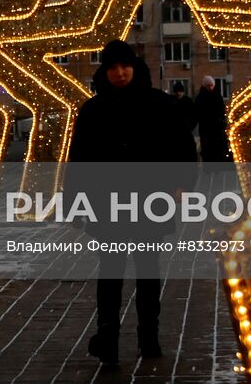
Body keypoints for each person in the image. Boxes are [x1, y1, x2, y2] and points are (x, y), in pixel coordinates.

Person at [69, 40, 195, 366]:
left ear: (135, 68)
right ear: (104, 72)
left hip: (150, 202)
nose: (120, 73)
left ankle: (148, 336)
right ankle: (107, 337)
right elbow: (79, 160)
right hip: (106, 205)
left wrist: (181, 185)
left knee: (147, 270)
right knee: (111, 271)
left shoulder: (159, 104)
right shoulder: (93, 110)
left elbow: (182, 147)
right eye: (112, 68)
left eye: (125, 66)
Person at [195, 75, 230, 163]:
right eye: (208, 85)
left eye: (211, 85)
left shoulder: (217, 96)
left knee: (217, 148)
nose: (210, 87)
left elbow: (222, 111)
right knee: (208, 149)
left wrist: (222, 121)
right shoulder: (201, 97)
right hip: (206, 128)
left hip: (217, 128)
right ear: (204, 86)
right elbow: (198, 112)